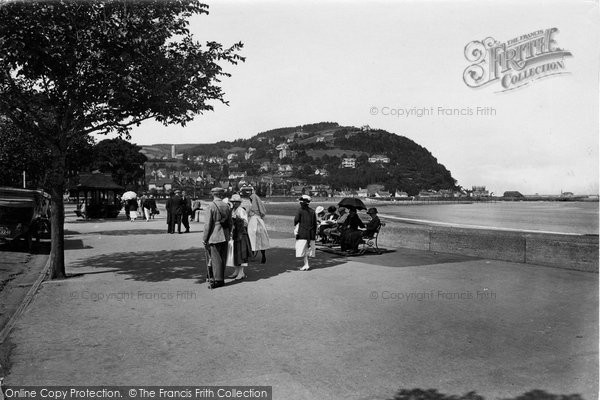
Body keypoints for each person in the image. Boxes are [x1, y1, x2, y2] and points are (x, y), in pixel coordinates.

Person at [203, 187, 232, 289]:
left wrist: (204, 238)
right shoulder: (227, 206)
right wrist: (229, 234)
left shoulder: (211, 206)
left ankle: (218, 280)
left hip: (214, 235)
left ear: (213, 194)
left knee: (215, 259)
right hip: (225, 234)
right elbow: (230, 223)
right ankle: (221, 278)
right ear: (221, 195)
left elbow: (208, 225)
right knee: (223, 257)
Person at [240, 185, 270, 264]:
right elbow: (262, 212)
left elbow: (246, 213)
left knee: (251, 238)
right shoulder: (256, 200)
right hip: (259, 220)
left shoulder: (249, 203)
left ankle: (252, 254)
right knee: (261, 238)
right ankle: (263, 255)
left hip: (253, 221)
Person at [227, 194, 251, 280]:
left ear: (239, 203)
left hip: (241, 234)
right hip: (235, 234)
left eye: (236, 202)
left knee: (241, 254)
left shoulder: (241, 210)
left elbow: (245, 222)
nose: (234, 203)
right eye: (233, 202)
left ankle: (241, 272)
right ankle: (236, 271)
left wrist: (236, 219)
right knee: (235, 254)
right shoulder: (232, 210)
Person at [294, 195, 317, 271]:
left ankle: (306, 265)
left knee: (303, 249)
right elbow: (315, 224)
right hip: (311, 233)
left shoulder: (300, 210)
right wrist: (315, 233)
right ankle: (306, 264)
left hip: (302, 233)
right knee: (308, 249)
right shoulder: (313, 211)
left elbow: (296, 220)